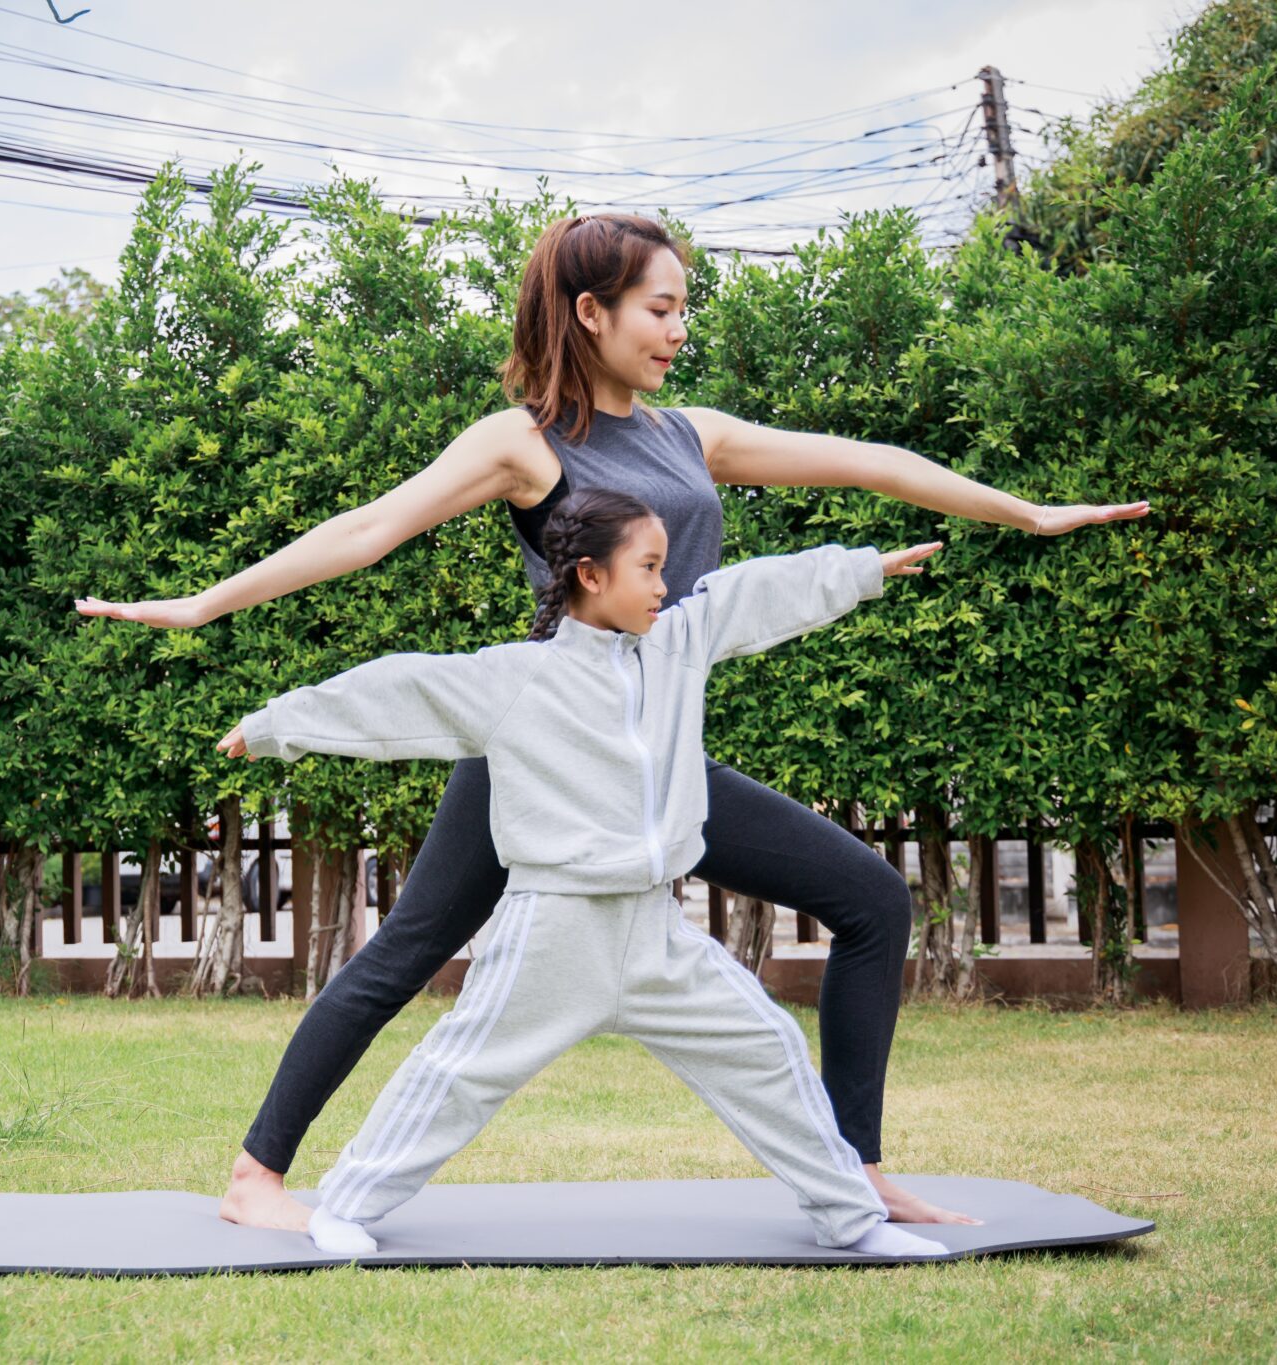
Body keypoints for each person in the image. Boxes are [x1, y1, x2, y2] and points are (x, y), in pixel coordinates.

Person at [78, 212, 1149, 1231]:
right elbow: (370, 527)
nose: (679, 332)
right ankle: (254, 1175)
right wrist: (202, 603)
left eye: (686, 311)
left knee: (868, 899)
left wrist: (1022, 512)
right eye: (659, 309)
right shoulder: (523, 443)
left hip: (651, 759)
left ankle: (854, 1171)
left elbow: (865, 459)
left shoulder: (693, 436)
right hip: (549, 748)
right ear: (590, 312)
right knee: (409, 948)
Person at [219, 489, 949, 1259]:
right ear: (591, 576)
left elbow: (754, 595)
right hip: (554, 934)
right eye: (650, 567)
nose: (666, 586)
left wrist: (861, 569)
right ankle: (347, 1204)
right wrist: (275, 726)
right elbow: (397, 690)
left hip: (655, 933)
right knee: (459, 1074)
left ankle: (851, 1216)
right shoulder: (519, 678)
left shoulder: (677, 646)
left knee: (766, 1048)